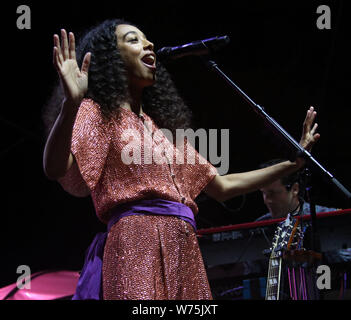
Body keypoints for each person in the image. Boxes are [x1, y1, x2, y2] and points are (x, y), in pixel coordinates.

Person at [42, 19, 321, 300]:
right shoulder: (97, 113)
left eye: (147, 39)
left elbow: (222, 186)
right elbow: (55, 168)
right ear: (111, 58)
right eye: (133, 39)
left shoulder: (165, 133)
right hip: (136, 242)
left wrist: (291, 165)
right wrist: (71, 105)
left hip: (184, 246)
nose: (149, 44)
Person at [255, 159, 336, 222]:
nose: (267, 201)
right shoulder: (258, 227)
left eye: (272, 193)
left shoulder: (330, 218)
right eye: (263, 193)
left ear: (295, 189)